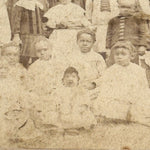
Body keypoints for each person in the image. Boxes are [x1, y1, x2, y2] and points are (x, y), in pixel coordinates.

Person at [95, 41, 150, 126]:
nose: (119, 57)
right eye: (117, 54)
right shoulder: (111, 70)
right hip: (117, 99)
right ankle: (121, 117)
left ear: (131, 56)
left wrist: (133, 99)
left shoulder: (138, 71)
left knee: (142, 106)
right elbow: (105, 88)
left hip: (134, 99)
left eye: (123, 54)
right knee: (107, 105)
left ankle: (133, 116)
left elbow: (143, 89)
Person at [50, 67, 97, 134]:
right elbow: (56, 101)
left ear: (78, 80)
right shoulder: (60, 91)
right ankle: (68, 128)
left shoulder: (81, 90)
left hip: (78, 112)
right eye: (67, 77)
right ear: (62, 80)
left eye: (73, 77)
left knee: (85, 116)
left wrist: (82, 107)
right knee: (57, 116)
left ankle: (75, 127)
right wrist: (59, 106)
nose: (70, 79)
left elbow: (86, 102)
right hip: (65, 112)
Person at [106, 0, 148, 65]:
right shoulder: (113, 21)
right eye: (123, 7)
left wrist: (142, 45)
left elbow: (143, 33)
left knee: (132, 64)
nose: (126, 9)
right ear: (118, 7)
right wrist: (108, 48)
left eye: (129, 7)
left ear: (134, 8)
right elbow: (109, 35)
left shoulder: (138, 20)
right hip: (115, 46)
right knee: (114, 64)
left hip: (132, 47)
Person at [12, 0, 47, 68]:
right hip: (26, 35)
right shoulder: (20, 4)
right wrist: (16, 34)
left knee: (38, 55)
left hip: (38, 35)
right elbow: (16, 20)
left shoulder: (39, 4)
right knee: (24, 56)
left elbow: (43, 19)